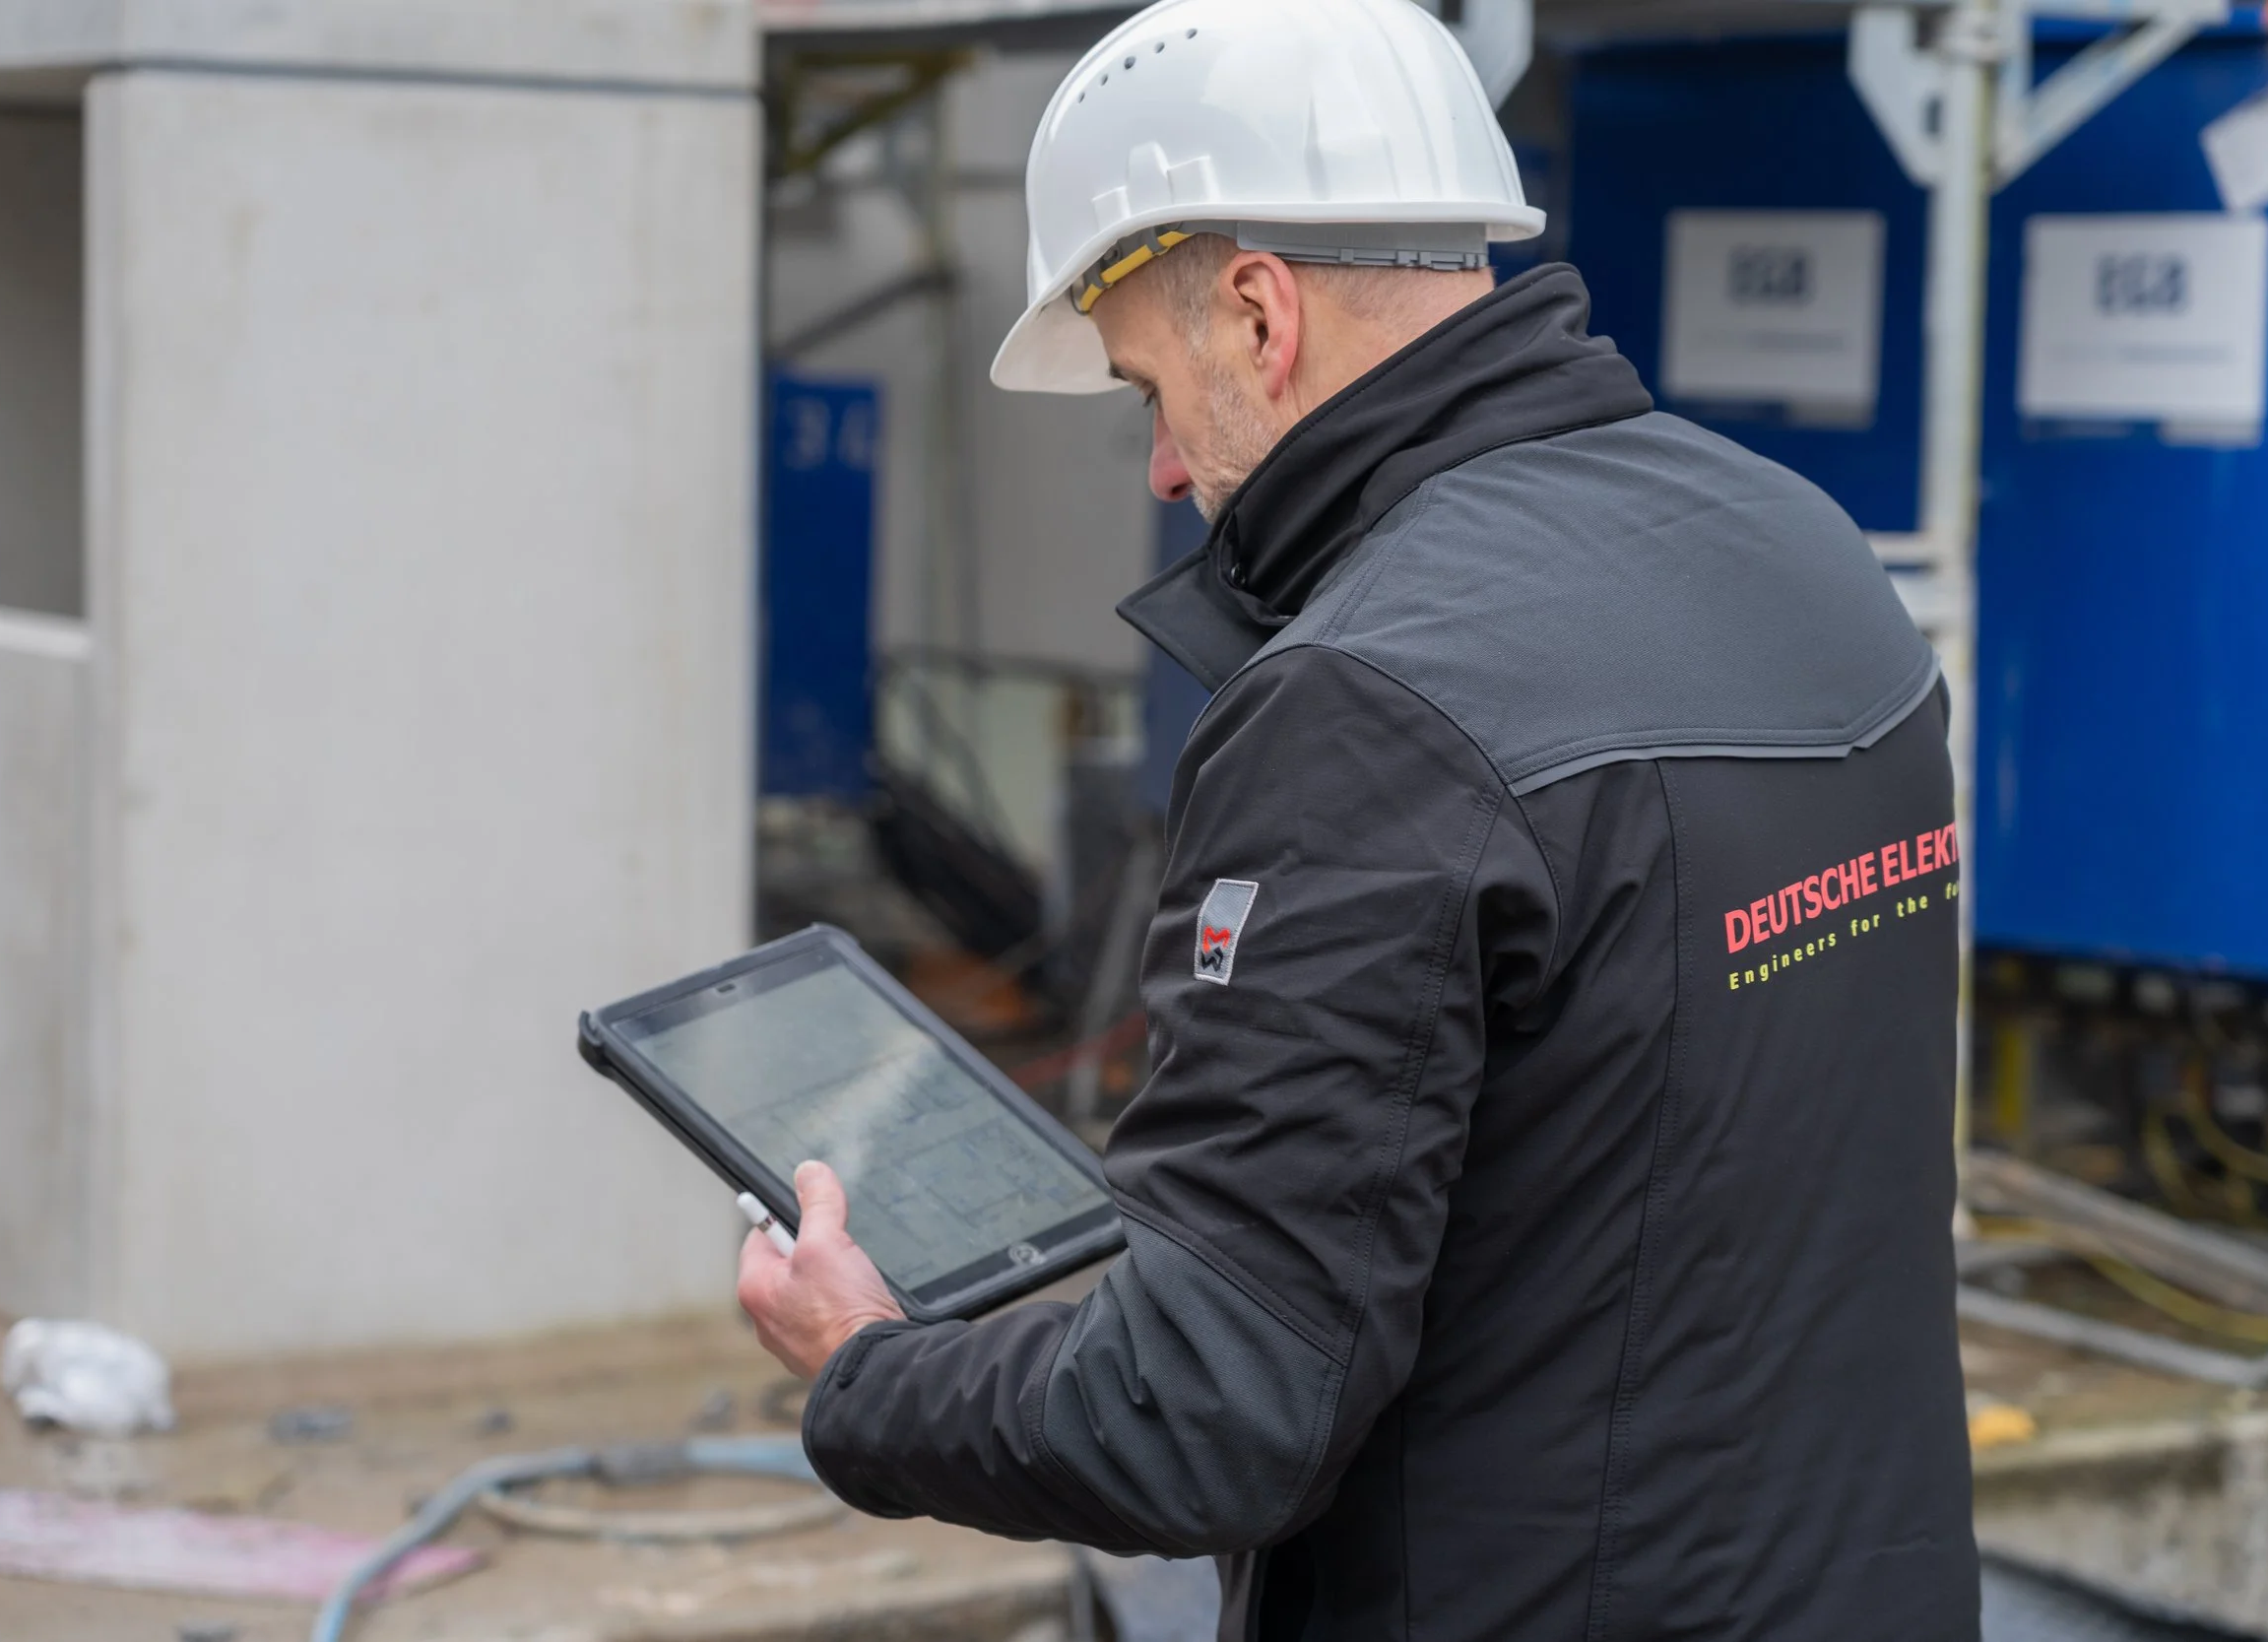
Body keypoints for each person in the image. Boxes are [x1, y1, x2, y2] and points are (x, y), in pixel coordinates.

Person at [738, 0, 1979, 1636]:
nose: (1168, 470)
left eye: (1145, 392)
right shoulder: (1805, 553)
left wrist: (871, 1372)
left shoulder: (1366, 708)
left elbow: (1203, 1411)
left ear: (1258, 312)